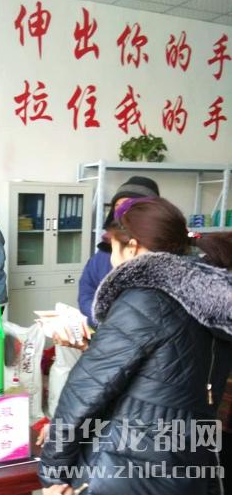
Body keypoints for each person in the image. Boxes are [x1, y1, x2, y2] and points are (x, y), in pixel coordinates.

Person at [39, 197, 232, 495]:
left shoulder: (145, 298)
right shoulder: (213, 297)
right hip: (188, 465)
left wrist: (53, 473)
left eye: (113, 249)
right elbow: (165, 374)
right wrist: (94, 346)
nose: (111, 261)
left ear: (133, 247)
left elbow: (85, 392)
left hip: (125, 470)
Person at [78, 176, 160, 327]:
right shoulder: (104, 253)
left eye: (130, 205)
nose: (122, 212)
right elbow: (86, 292)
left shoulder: (163, 257)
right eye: (118, 206)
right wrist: (100, 316)